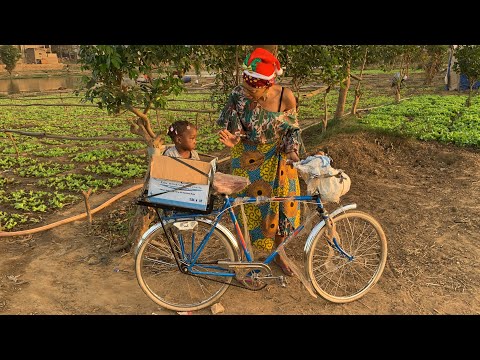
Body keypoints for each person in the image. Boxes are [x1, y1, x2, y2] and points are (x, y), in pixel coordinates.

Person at [217, 47, 302, 276]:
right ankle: (246, 257)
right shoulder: (238, 94)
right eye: (245, 86)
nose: (246, 91)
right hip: (248, 158)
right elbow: (227, 125)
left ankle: (279, 252)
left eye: (251, 89)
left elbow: (292, 129)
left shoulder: (286, 96)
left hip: (279, 159)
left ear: (266, 85)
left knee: (283, 208)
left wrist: (293, 153)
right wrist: (233, 137)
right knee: (248, 209)